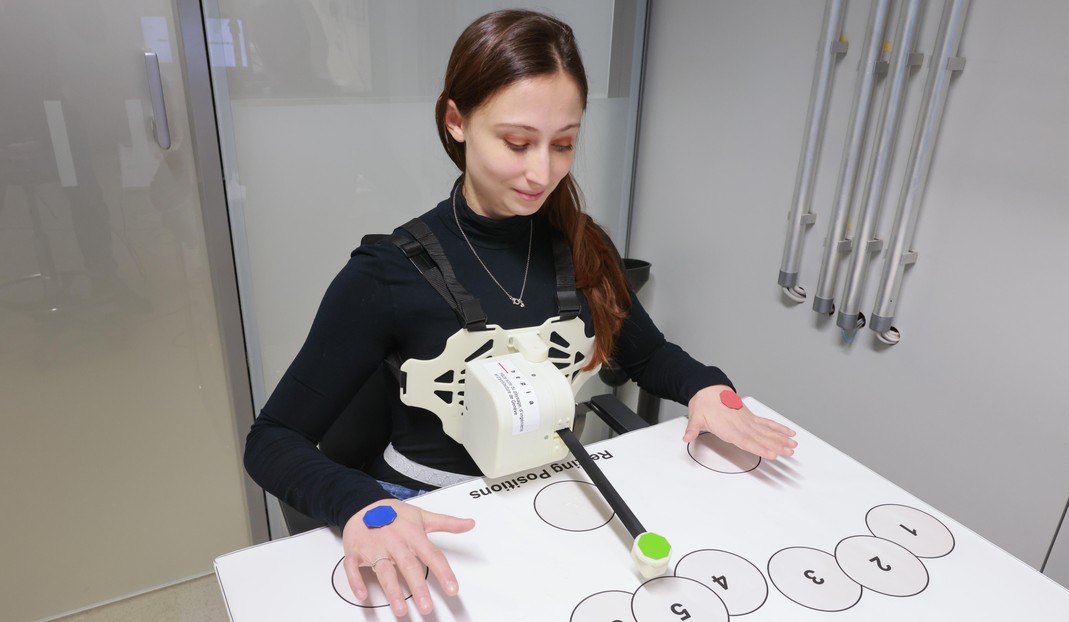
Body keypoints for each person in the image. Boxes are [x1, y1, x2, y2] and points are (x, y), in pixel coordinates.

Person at [244, 9, 797, 618]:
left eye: (564, 143)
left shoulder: (583, 245)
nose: (543, 173)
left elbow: (649, 354)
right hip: (429, 513)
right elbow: (272, 440)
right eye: (517, 143)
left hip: (559, 495)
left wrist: (705, 390)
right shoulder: (388, 272)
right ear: (456, 121)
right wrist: (358, 505)